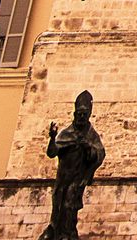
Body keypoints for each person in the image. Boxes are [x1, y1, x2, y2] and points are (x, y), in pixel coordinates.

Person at [41, 89, 105, 240]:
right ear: (74, 114)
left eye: (84, 114)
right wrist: (52, 138)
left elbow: (100, 154)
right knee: (58, 205)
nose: (81, 116)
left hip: (77, 179)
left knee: (70, 206)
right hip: (62, 178)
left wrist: (87, 147)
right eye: (79, 114)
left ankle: (67, 233)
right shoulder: (66, 133)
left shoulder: (91, 135)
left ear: (89, 115)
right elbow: (52, 152)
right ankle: (54, 230)